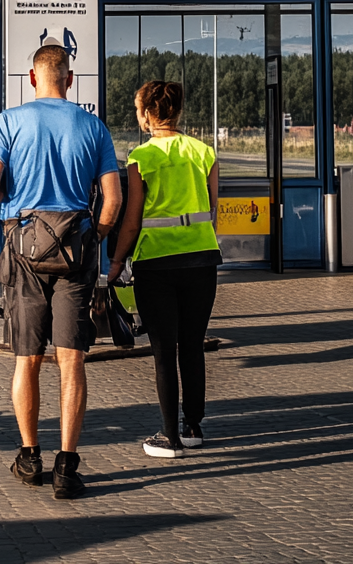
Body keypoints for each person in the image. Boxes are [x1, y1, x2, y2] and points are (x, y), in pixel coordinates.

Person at [0, 44, 122, 499]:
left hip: (24, 252)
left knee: (27, 359)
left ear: (33, 79)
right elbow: (113, 199)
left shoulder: (11, 121)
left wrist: (9, 209)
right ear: (70, 80)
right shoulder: (93, 126)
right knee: (72, 361)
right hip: (75, 253)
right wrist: (92, 236)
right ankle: (66, 467)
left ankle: (29, 455)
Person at [107, 80, 221, 459]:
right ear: (177, 111)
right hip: (202, 259)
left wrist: (117, 260)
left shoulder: (142, 157)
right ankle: (193, 427)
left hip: (156, 263)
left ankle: (169, 437)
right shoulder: (204, 152)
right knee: (192, 345)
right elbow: (213, 211)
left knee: (162, 350)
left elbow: (132, 219)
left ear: (146, 115)